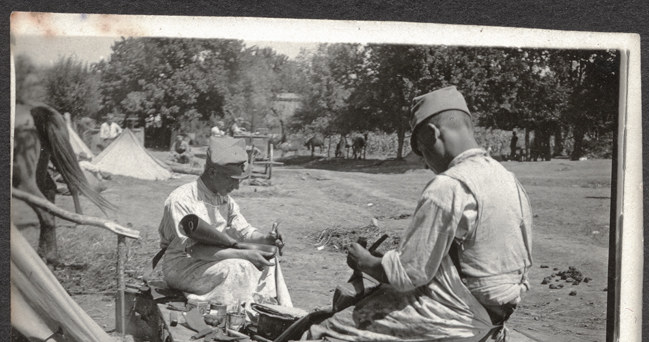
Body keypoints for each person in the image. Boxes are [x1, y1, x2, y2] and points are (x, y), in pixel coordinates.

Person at [307, 86, 533, 341]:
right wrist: (388, 260)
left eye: (423, 152)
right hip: (496, 312)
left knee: (324, 331)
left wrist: (365, 262)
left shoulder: (449, 186)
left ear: (431, 133)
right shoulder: (509, 180)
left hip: (454, 314)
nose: (426, 163)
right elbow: (473, 260)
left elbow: (409, 275)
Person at [155, 136, 289, 315]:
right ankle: (235, 317)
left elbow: (244, 230)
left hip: (215, 258)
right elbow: (195, 250)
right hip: (183, 265)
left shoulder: (224, 199)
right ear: (212, 172)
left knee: (269, 257)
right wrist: (245, 254)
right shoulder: (181, 199)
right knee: (238, 267)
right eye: (232, 179)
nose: (237, 186)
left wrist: (266, 239)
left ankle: (273, 311)